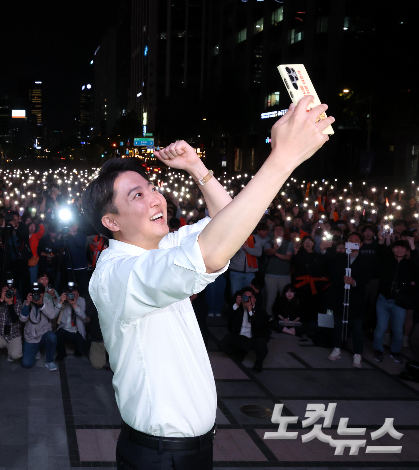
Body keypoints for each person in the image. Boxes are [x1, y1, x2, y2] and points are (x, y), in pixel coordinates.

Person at [83, 95, 332, 468]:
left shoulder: (163, 245)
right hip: (159, 455)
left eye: (152, 187)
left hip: (190, 449)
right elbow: (211, 253)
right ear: (111, 222)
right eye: (138, 195)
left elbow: (228, 221)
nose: (157, 199)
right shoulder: (114, 274)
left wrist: (196, 167)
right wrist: (282, 159)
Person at [324, 233, 370, 368]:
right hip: (340, 296)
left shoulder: (365, 260)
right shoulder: (341, 257)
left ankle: (357, 353)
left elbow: (367, 277)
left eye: (356, 241)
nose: (353, 242)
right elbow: (330, 267)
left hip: (356, 298)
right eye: (350, 240)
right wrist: (325, 249)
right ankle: (337, 348)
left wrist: (354, 281)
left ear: (360, 244)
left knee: (357, 327)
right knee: (338, 324)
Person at [373, 238, 417, 363]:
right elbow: (379, 255)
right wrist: (384, 241)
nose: (399, 250)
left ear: (406, 250)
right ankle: (378, 350)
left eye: (402, 248)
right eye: (397, 247)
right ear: (392, 249)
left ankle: (395, 351)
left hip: (399, 302)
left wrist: (413, 247)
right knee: (380, 328)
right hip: (383, 299)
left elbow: (417, 263)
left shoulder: (409, 264)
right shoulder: (387, 261)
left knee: (398, 330)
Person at [219, 289, 271, 372]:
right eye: (245, 297)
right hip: (241, 337)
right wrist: (236, 304)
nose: (248, 300)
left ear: (255, 299)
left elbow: (258, 325)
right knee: (222, 343)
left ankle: (258, 363)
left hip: (254, 338)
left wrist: (250, 310)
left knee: (262, 344)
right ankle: (238, 353)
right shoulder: (238, 308)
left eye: (250, 297)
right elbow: (228, 316)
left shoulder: (260, 311)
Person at [20, 282, 58, 370]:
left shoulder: (47, 302)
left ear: (43, 293)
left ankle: (49, 361)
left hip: (43, 335)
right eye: (34, 293)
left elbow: (52, 315)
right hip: (31, 337)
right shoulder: (26, 302)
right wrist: (27, 304)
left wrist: (41, 305)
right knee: (26, 364)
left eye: (39, 293)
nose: (37, 295)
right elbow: (22, 319)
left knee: (52, 337)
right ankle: (36, 350)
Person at [264, 224, 294, 317]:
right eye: (276, 229)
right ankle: (269, 317)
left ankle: (284, 317)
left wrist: (275, 253)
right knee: (270, 298)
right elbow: (268, 252)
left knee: (285, 298)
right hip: (271, 275)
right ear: (273, 232)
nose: (278, 231)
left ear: (284, 232)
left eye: (280, 229)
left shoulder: (289, 244)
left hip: (285, 276)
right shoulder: (268, 242)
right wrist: (274, 249)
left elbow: (288, 257)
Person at [228, 223, 265, 299]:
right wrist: (237, 248)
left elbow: (259, 253)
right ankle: (235, 307)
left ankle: (247, 307)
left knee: (249, 295)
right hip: (236, 271)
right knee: (236, 295)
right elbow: (228, 251)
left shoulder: (255, 238)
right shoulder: (234, 237)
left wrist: (247, 248)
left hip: (250, 273)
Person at [54, 282, 87, 361]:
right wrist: (60, 302)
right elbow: (53, 315)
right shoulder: (61, 299)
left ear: (78, 293)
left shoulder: (81, 300)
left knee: (81, 351)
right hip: (64, 329)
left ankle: (77, 349)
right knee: (57, 335)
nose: (71, 294)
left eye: (74, 292)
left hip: (77, 331)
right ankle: (62, 353)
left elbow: (84, 317)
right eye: (69, 292)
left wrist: (74, 304)